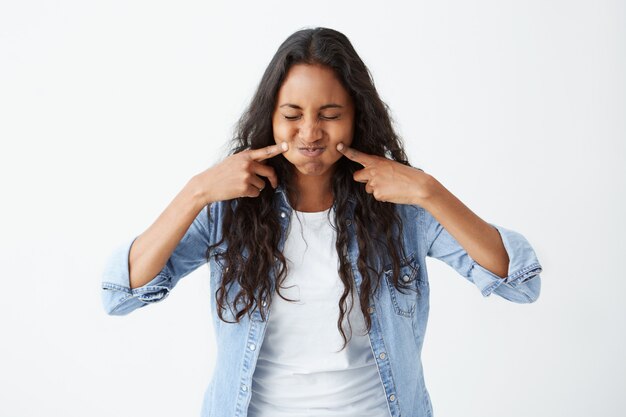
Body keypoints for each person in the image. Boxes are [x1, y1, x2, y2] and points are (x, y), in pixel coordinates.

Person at [101, 27, 543, 417]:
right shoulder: (231, 208)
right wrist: (197, 191)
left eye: (330, 115)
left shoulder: (400, 206)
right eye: (292, 115)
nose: (310, 132)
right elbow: (121, 293)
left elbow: (518, 280)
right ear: (270, 118)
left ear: (356, 117)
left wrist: (427, 190)